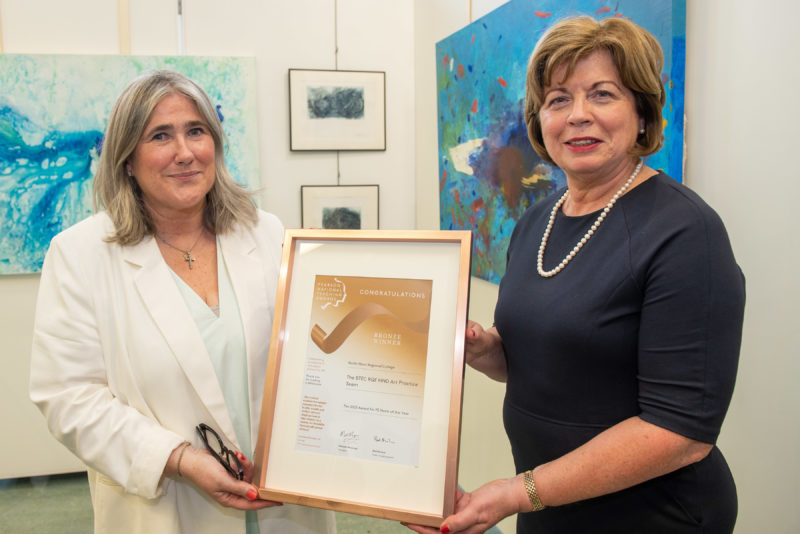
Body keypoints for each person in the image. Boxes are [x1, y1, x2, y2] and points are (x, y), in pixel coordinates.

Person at [409, 16, 745, 534]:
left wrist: (516, 492)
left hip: (653, 515)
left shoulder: (685, 233)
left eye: (602, 95)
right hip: (548, 504)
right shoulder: (535, 223)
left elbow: (679, 431)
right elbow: (547, 362)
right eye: (559, 99)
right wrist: (484, 350)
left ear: (641, 112)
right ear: (540, 119)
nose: (578, 116)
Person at [29, 70, 335, 534]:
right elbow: (68, 398)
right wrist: (176, 459)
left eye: (197, 131)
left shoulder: (265, 232)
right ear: (127, 159)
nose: (185, 152)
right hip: (169, 507)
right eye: (160, 136)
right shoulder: (80, 255)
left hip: (284, 507)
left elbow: (312, 354)